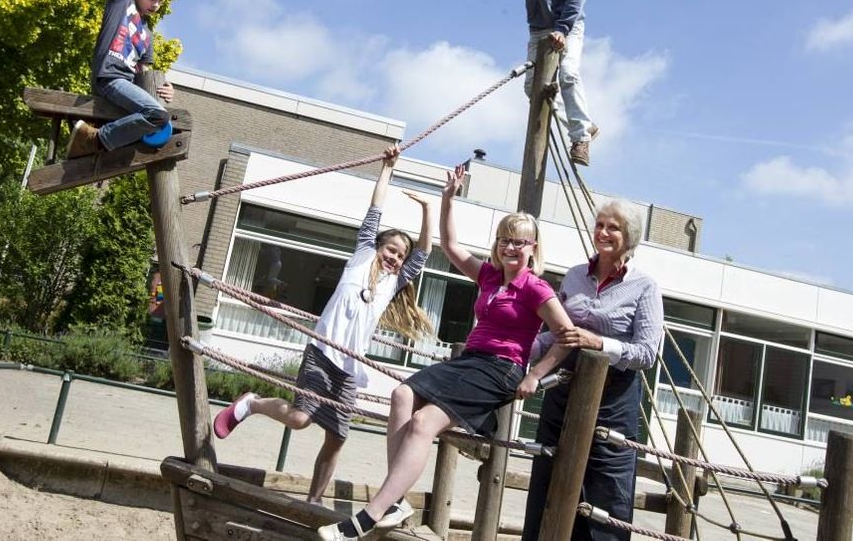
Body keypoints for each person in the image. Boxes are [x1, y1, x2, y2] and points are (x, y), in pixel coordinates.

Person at [317, 164, 578, 540]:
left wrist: (536, 374)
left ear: (533, 247)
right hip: (469, 360)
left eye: (519, 241)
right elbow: (452, 247)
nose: (510, 247)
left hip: (501, 369)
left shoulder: (536, 288)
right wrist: (448, 198)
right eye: (505, 239)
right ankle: (395, 500)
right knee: (402, 394)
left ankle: (367, 517)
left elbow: (566, 336)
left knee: (424, 424)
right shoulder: (489, 275)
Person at [213, 145, 434, 505]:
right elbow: (374, 210)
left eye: (400, 254)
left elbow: (424, 252)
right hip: (322, 354)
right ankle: (252, 403)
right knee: (301, 419)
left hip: (350, 368)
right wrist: (387, 168)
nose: (394, 256)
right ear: (377, 246)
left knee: (337, 438)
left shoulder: (395, 283)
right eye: (390, 249)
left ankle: (313, 502)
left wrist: (427, 210)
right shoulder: (362, 256)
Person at [522, 201, 664, 540]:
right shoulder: (573, 275)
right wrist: (511, 352)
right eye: (600, 224)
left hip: (613, 401)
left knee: (606, 495)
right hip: (561, 392)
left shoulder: (645, 287)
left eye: (613, 227)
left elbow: (647, 353)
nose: (603, 232)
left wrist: (599, 343)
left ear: (629, 237)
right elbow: (555, 334)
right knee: (548, 481)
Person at [482, 0, 598, 166]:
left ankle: (580, 138)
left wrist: (562, 29)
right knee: (534, 91)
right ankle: (584, 124)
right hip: (539, 28)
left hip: (569, 26)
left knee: (568, 74)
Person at [67, 0, 176, 159]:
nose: (156, 5)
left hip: (125, 85)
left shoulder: (146, 33)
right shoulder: (121, 1)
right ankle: (95, 140)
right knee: (158, 116)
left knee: (158, 112)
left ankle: (98, 138)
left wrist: (166, 89)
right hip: (108, 78)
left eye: (160, 1)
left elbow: (145, 76)